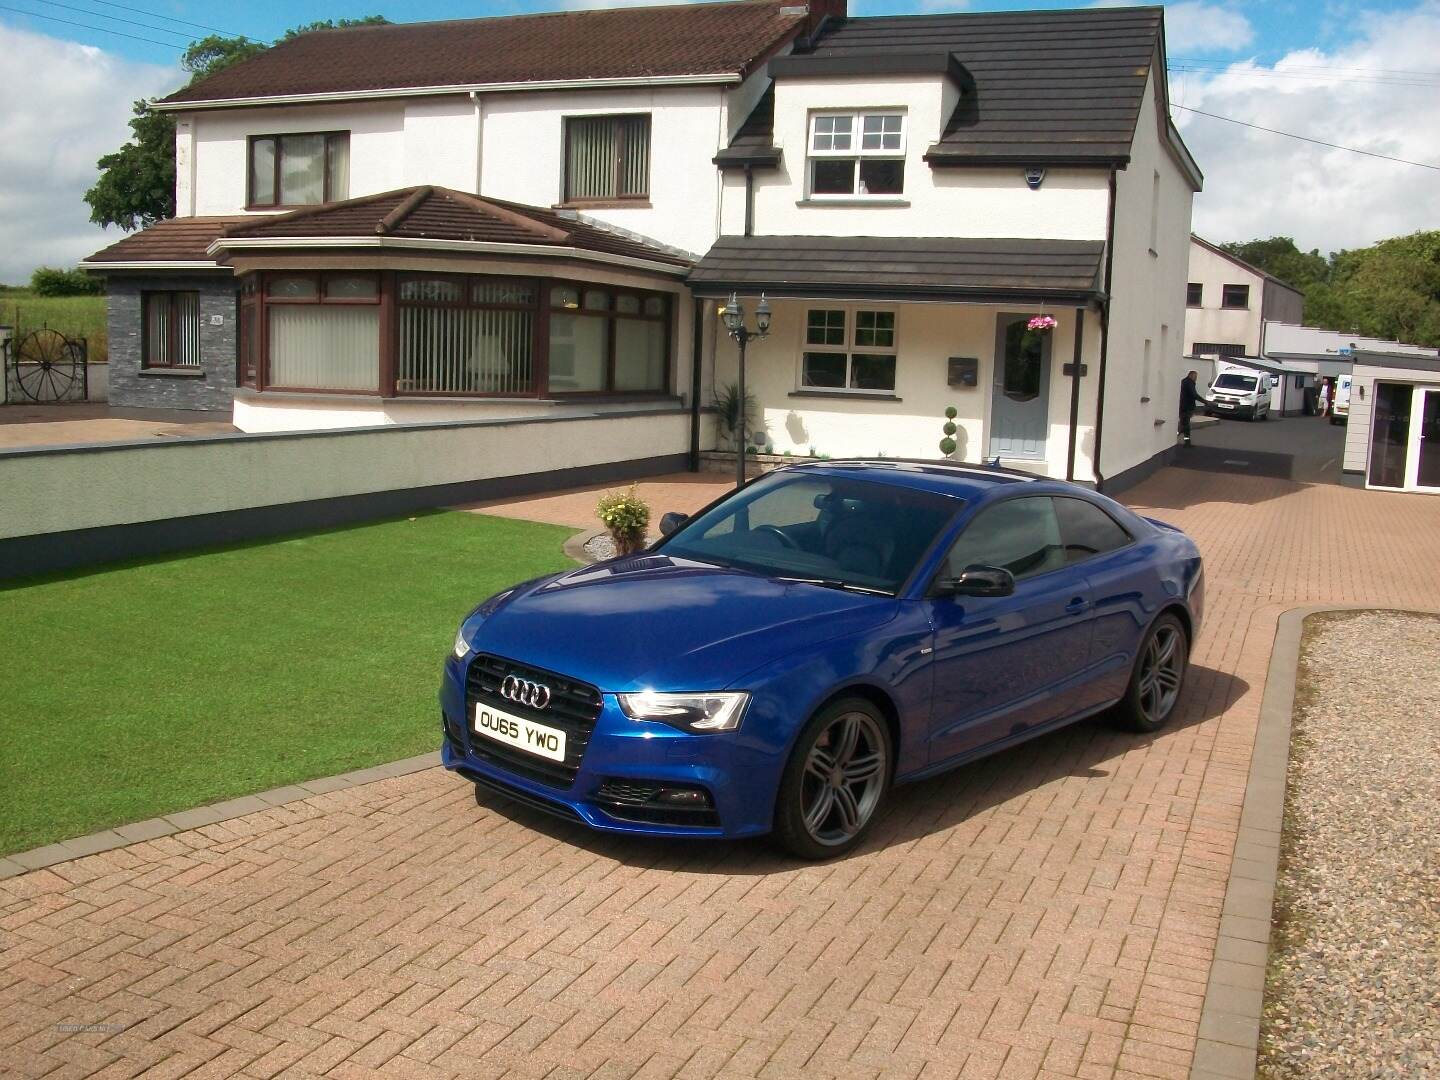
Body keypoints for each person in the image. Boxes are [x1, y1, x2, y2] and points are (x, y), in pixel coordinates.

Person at [1179, 369, 1204, 444]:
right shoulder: (1189, 383)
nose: (1196, 378)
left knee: (1184, 423)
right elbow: (1194, 395)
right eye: (1195, 376)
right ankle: (1186, 441)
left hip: (1183, 405)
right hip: (1186, 406)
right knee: (1185, 424)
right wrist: (1205, 401)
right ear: (1190, 375)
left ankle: (1186, 440)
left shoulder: (1185, 381)